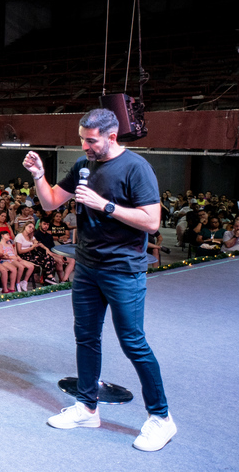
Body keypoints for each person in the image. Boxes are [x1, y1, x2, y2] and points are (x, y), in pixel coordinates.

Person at [25, 107, 174, 451]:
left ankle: (161, 419)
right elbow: (49, 204)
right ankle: (87, 407)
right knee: (86, 338)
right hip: (88, 267)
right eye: (82, 139)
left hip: (123, 270)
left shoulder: (136, 168)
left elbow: (151, 222)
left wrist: (104, 205)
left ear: (111, 137)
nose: (85, 146)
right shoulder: (82, 164)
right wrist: (38, 174)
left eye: (91, 141)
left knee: (133, 343)